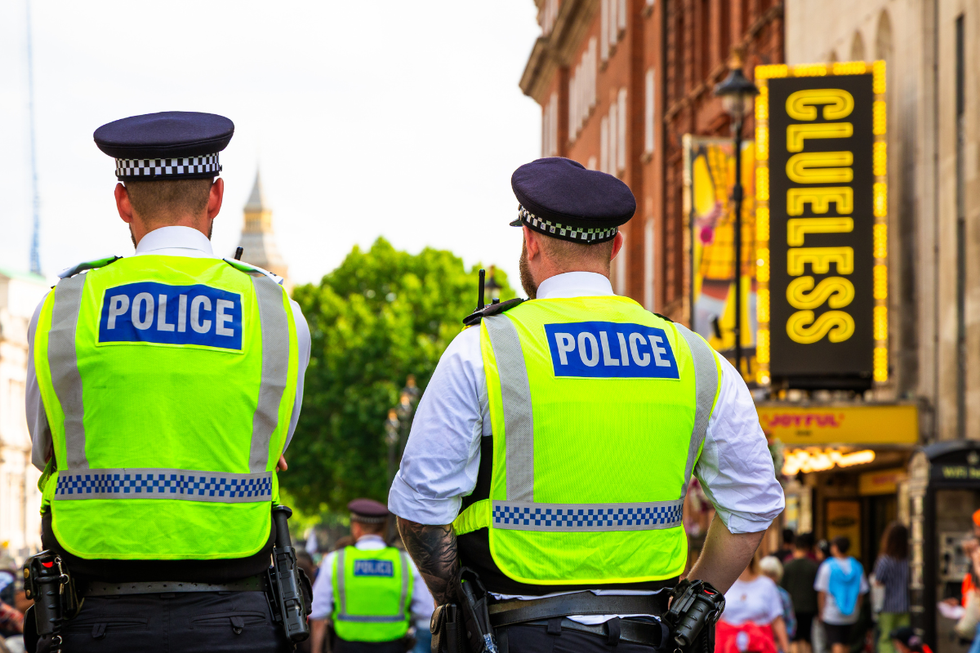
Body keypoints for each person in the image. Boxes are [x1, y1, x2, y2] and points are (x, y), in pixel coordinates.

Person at [388, 157, 785, 652]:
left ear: (530, 242)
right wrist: (697, 599)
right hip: (651, 635)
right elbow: (753, 505)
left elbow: (420, 508)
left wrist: (462, 607)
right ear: (615, 245)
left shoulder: (486, 347)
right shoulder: (696, 357)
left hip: (519, 632)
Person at [24, 112, 311, 653]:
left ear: (123, 201)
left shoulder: (64, 306)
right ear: (217, 197)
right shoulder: (277, 312)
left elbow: (46, 450)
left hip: (99, 617)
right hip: (237, 619)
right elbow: (271, 445)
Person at [309, 499, 429, 653]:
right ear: (383, 528)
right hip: (393, 647)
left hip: (347, 647)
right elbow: (425, 611)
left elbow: (318, 614)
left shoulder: (336, 560)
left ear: (356, 527)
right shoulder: (405, 561)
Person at [717, 555, 791, 653]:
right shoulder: (723, 584)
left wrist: (786, 649)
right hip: (726, 646)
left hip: (760, 646)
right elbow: (714, 620)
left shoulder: (767, 585)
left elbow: (777, 620)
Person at [815, 537, 868, 653]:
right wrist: (857, 609)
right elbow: (861, 592)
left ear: (835, 548)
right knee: (846, 643)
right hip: (852, 613)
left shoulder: (827, 566)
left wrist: (821, 611)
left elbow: (822, 592)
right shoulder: (857, 566)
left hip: (831, 612)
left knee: (836, 643)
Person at [873, 523, 910, 653]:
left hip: (887, 605)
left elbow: (878, 582)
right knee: (904, 640)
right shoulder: (909, 560)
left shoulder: (885, 560)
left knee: (886, 639)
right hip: (906, 605)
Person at [782, 533, 820, 653]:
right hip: (809, 607)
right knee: (807, 637)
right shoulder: (814, 566)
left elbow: (782, 588)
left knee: (794, 637)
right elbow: (817, 590)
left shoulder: (787, 566)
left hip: (792, 607)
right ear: (807, 548)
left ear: (794, 547)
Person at [761, 556, 797, 646]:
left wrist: (781, 638)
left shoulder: (783, 596)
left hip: (777, 644)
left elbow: (790, 622)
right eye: (765, 574)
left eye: (771, 574)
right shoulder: (756, 594)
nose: (768, 578)